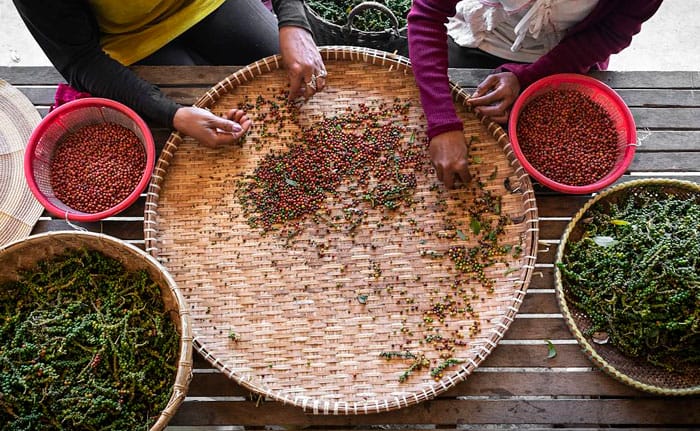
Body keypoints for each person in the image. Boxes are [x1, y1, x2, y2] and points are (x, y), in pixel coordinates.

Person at [407, 0, 663, 188]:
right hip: (485, 36)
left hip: (566, 55)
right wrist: (442, 123)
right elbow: (427, 16)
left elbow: (609, 33)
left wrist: (527, 77)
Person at [12, 0, 328, 148]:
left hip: (208, 4)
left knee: (294, 84)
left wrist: (294, 22)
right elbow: (80, 60)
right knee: (208, 143)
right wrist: (172, 113)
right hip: (130, 39)